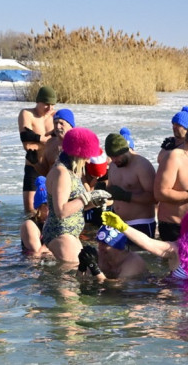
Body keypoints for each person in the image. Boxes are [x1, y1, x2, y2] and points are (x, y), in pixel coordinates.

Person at [40, 127, 112, 263]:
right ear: (79, 153)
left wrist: (94, 202)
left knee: (85, 270)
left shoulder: (71, 171)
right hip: (60, 232)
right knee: (74, 273)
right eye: (88, 155)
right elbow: (61, 211)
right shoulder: (62, 173)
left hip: (69, 233)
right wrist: (86, 197)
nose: (89, 161)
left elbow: (74, 205)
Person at [103, 132, 157, 238]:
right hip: (117, 222)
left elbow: (154, 198)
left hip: (140, 223)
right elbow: (112, 191)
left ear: (125, 150)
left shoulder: (142, 165)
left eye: (116, 156)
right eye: (111, 157)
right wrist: (103, 191)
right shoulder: (113, 165)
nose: (114, 160)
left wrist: (126, 196)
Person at [18, 85, 57, 214]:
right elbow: (26, 140)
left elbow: (66, 137)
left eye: (52, 105)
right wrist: (49, 139)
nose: (49, 108)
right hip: (34, 165)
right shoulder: (27, 114)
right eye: (46, 104)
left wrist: (38, 139)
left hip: (52, 167)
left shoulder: (56, 116)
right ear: (38, 101)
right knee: (30, 210)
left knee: (54, 208)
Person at [20, 176, 50, 256]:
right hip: (31, 263)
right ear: (39, 207)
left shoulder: (57, 222)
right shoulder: (30, 225)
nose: (53, 207)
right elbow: (37, 254)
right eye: (48, 204)